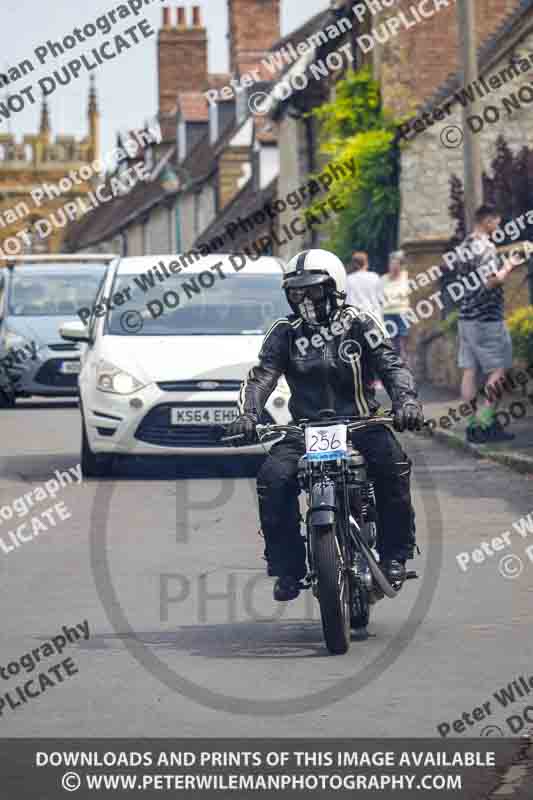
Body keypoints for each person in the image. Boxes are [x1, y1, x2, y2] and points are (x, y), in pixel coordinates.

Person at [227, 249, 424, 602]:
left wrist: (406, 401)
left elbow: (391, 365)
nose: (304, 300)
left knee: (393, 465)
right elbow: (261, 378)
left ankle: (396, 554)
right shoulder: (284, 332)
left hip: (361, 423)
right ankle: (287, 568)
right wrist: (248, 414)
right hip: (305, 430)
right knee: (272, 478)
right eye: (296, 292)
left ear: (335, 288)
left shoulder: (360, 323)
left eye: (313, 291)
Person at [456, 204, 517, 444]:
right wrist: (509, 265)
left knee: (469, 371)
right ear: (488, 221)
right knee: (499, 370)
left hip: (466, 318)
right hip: (487, 319)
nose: (498, 227)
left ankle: (472, 426)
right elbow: (491, 282)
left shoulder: (462, 248)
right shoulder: (487, 248)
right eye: (497, 222)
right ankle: (485, 422)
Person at [382, 251, 411, 363]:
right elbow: (380, 295)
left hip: (402, 311)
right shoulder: (383, 279)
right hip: (387, 312)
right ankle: (393, 363)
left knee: (403, 339)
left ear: (400, 265)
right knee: (391, 340)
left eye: (396, 264)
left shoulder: (406, 276)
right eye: (392, 264)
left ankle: (404, 362)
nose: (393, 267)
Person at [345, 251, 384, 321]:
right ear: (366, 263)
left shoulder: (349, 279)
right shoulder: (375, 277)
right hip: (374, 316)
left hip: (356, 317)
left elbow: (347, 301)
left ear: (354, 264)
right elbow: (381, 299)